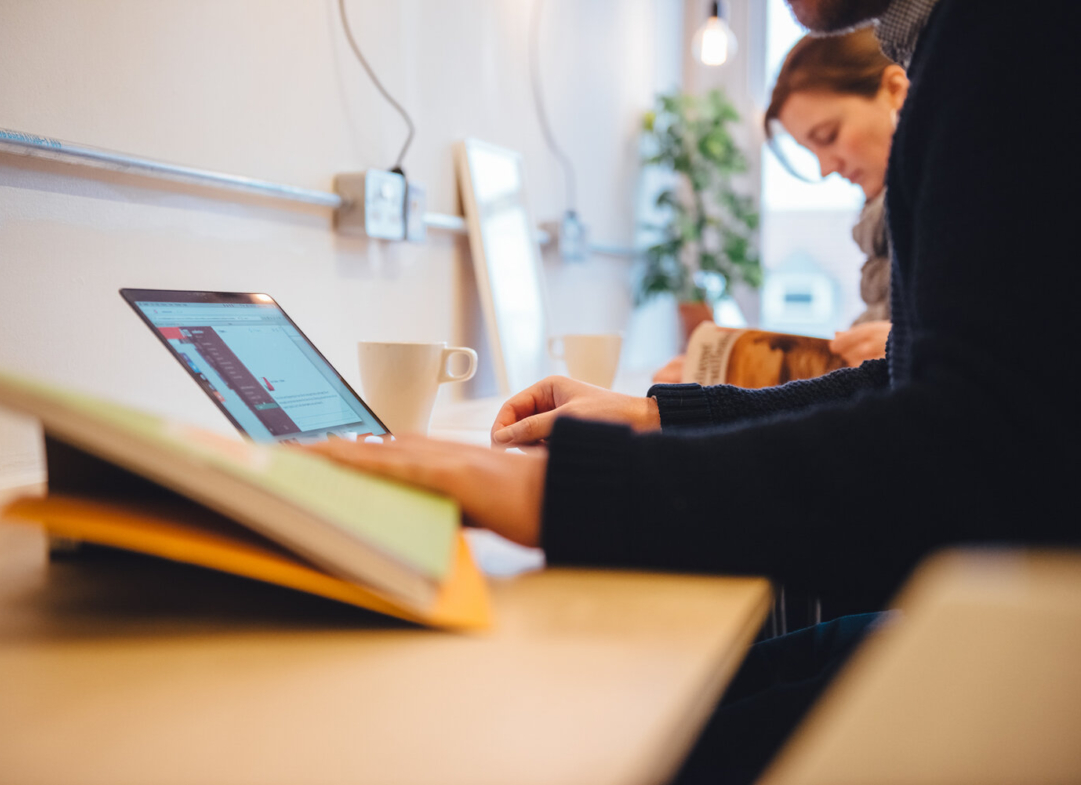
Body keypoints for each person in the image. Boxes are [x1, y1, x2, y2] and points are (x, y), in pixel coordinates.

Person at [310, 0, 1080, 780]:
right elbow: (910, 385)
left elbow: (973, 447)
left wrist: (555, 490)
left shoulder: (1013, 34)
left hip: (1034, 661)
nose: (826, 165)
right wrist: (659, 415)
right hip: (1003, 622)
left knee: (601, 732)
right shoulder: (965, 44)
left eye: (826, 138)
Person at [653, 27, 902, 383]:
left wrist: (904, 347)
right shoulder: (883, 236)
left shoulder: (949, 210)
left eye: (828, 136)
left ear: (895, 90)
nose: (825, 168)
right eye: (811, 151)